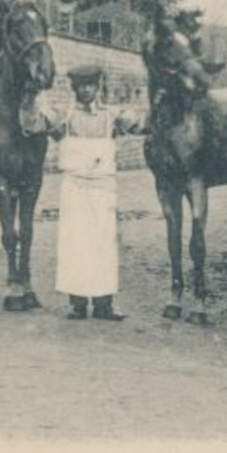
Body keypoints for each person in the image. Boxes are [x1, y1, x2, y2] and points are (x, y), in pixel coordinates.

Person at [48, 65, 144, 322]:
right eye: (81, 86)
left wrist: (142, 112)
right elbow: (37, 124)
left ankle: (104, 305)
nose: (87, 90)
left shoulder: (111, 115)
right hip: (75, 188)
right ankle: (77, 304)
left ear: (98, 87)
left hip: (102, 188)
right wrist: (33, 104)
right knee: (75, 243)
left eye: (91, 85)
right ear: (75, 89)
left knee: (103, 244)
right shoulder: (65, 116)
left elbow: (140, 125)